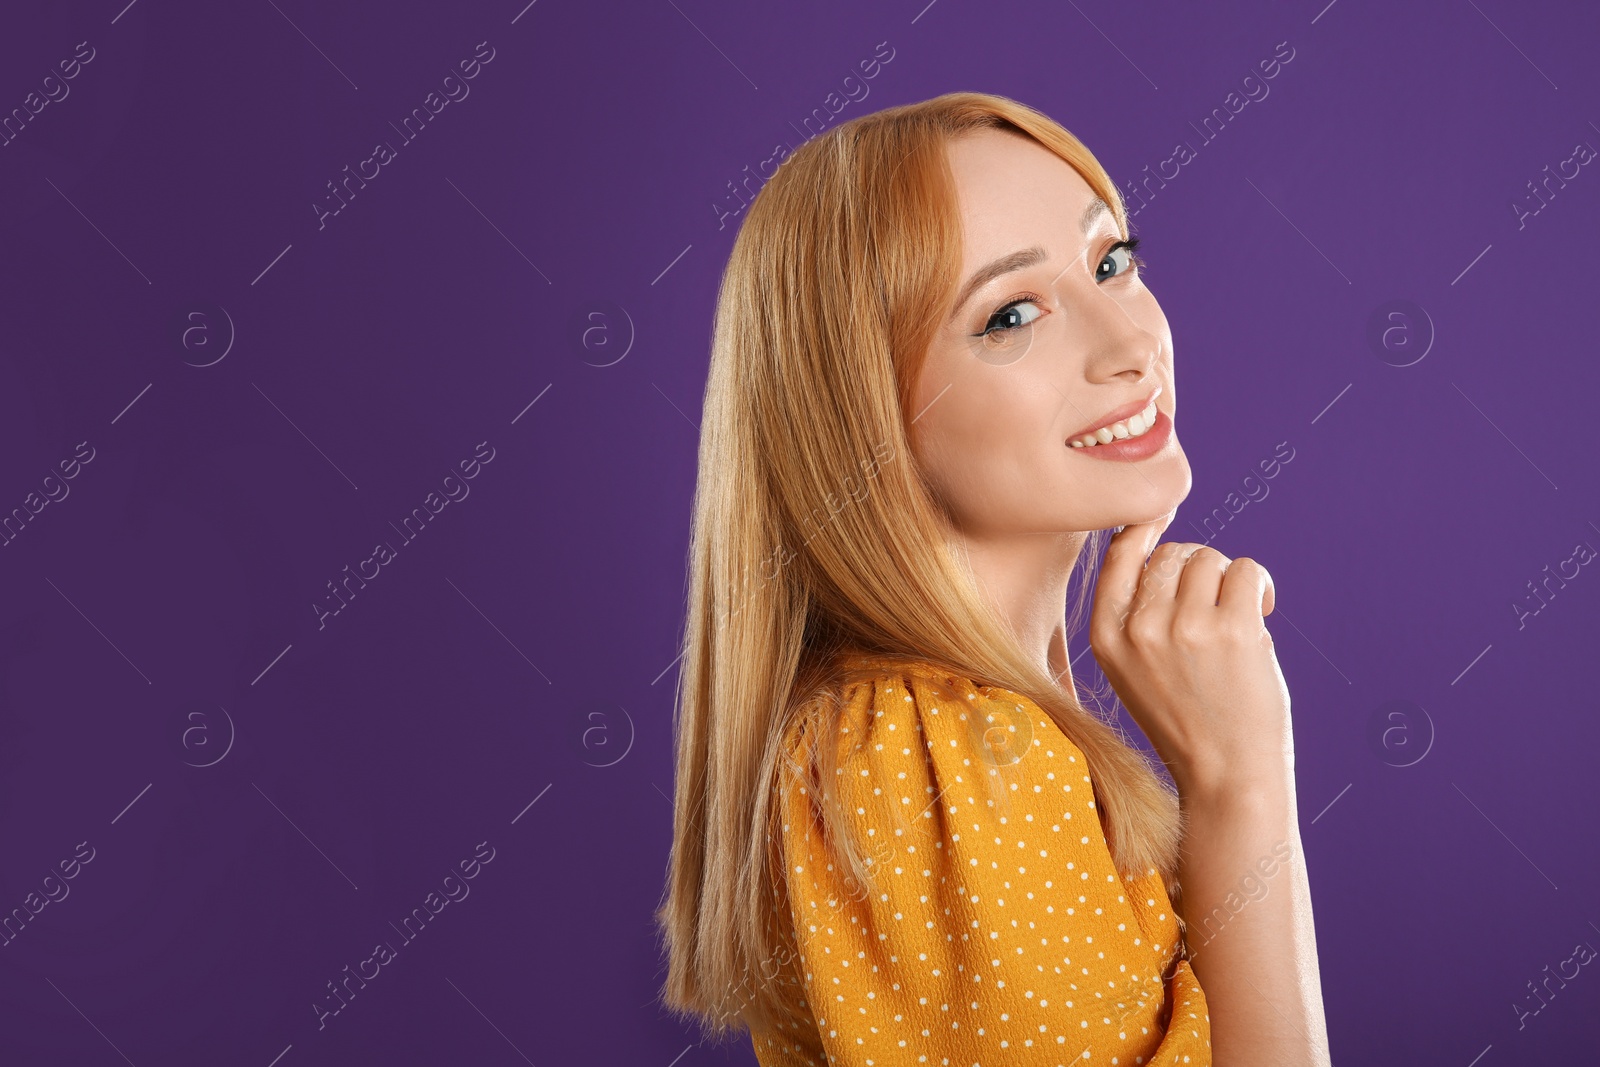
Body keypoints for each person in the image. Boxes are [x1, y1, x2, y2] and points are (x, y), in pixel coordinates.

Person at [654, 90, 1331, 1066]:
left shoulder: (967, 732)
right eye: (1010, 314)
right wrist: (1241, 786)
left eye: (1112, 263)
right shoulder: (936, 751)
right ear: (863, 421)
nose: (1131, 343)